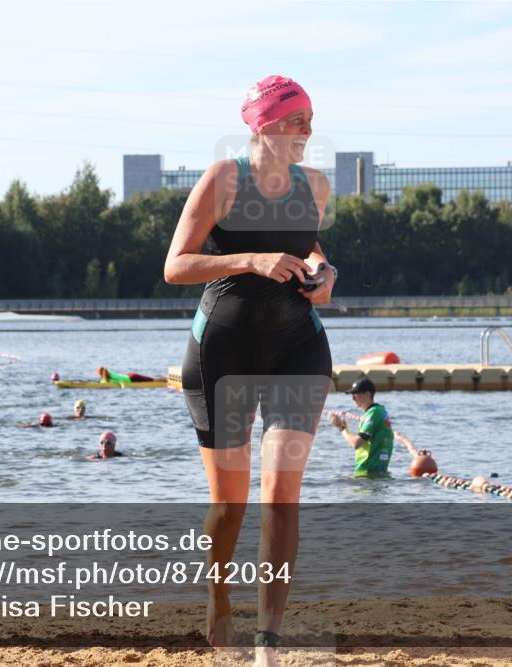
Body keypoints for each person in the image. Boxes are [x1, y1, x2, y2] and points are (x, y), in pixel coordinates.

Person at [164, 74, 336, 654]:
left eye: (310, 119)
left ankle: (268, 641)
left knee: (281, 495)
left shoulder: (316, 185)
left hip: (297, 346)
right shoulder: (224, 179)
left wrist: (326, 272)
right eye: (296, 120)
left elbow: (311, 247)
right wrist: (251, 259)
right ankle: (218, 602)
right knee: (230, 506)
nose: (308, 129)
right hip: (224, 353)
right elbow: (176, 266)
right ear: (264, 125)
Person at [329, 378, 395, 478]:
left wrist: (341, 428)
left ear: (368, 394)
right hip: (378, 473)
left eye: (356, 394)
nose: (353, 398)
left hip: (367, 474)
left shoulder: (373, 413)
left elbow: (356, 443)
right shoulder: (381, 411)